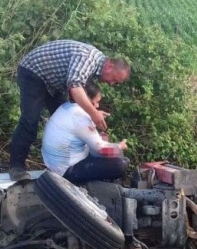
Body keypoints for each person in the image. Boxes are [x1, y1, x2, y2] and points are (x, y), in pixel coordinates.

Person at [9, 40, 131, 181]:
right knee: (30, 120)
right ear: (109, 66)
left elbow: (78, 100)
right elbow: (75, 88)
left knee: (64, 120)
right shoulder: (88, 58)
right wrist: (93, 114)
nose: (111, 84)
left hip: (54, 81)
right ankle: (16, 167)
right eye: (114, 80)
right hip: (34, 72)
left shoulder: (96, 66)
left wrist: (90, 116)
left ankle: (58, 160)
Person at [41, 83, 129, 183]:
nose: (97, 106)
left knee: (108, 149)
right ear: (85, 99)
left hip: (52, 163)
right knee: (120, 163)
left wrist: (94, 115)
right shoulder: (82, 119)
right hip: (66, 169)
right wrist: (119, 147)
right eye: (95, 102)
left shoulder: (66, 107)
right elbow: (101, 150)